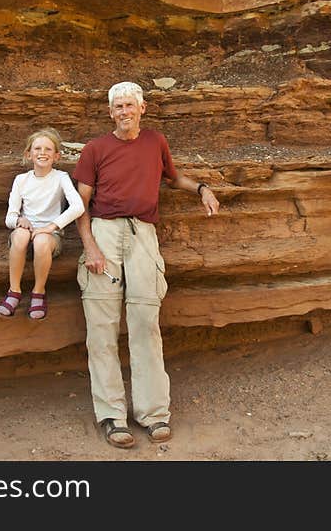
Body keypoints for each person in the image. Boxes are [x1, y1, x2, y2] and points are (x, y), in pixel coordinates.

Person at [73, 81, 220, 449]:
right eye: (117, 107)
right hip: (104, 233)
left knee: (145, 323)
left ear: (142, 109)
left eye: (129, 105)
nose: (124, 111)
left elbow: (173, 179)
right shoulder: (95, 149)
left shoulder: (155, 141)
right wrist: (90, 247)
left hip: (142, 235)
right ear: (110, 113)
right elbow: (81, 204)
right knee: (102, 327)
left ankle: (153, 414)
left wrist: (202, 188)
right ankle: (111, 416)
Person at [0, 127, 84, 320]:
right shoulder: (21, 180)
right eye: (37, 148)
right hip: (25, 238)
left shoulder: (61, 178)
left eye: (48, 149)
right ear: (29, 154)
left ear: (57, 156)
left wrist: (51, 227)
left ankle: (38, 292)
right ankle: (14, 291)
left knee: (42, 240)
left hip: (49, 238)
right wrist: (20, 220)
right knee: (20, 234)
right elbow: (9, 218)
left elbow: (78, 207)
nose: (42, 153)